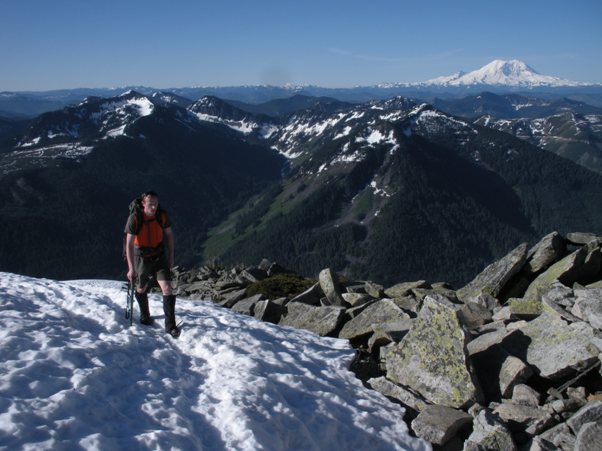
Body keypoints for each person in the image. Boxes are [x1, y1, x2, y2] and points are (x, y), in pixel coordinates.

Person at [125, 191, 180, 338]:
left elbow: (169, 234)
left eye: (156, 203)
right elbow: (129, 244)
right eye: (150, 204)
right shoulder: (135, 218)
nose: (154, 206)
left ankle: (170, 326)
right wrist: (131, 268)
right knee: (141, 288)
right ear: (143, 203)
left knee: (167, 288)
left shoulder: (161, 215)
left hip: (159, 255)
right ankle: (145, 314)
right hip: (141, 257)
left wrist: (171, 256)